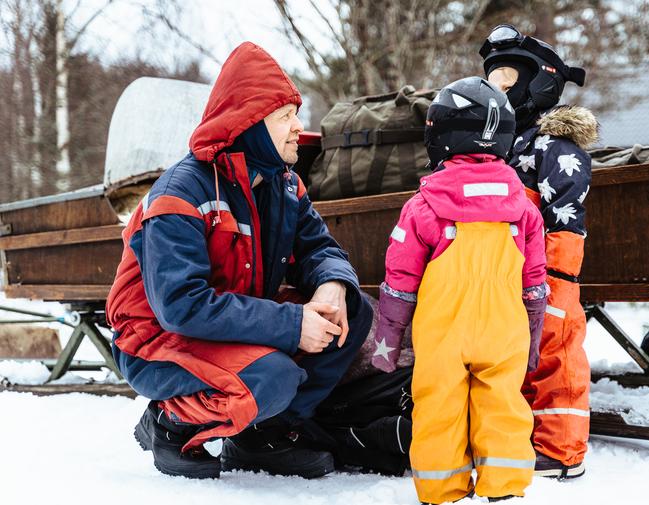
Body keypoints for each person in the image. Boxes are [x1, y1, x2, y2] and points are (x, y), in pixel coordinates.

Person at [106, 42, 372, 480]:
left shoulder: (283, 185)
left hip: (225, 326)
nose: (298, 127)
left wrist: (332, 285)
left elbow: (319, 249)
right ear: (249, 124)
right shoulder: (179, 195)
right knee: (272, 376)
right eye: (285, 116)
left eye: (295, 114)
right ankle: (170, 423)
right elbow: (181, 307)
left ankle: (264, 435)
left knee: (351, 310)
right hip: (156, 342)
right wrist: (292, 324)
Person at [371, 76, 548, 503]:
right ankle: (504, 488)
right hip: (503, 331)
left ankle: (442, 489)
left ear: (442, 136)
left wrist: (386, 344)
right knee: (503, 405)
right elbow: (535, 283)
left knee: (439, 407)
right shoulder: (524, 209)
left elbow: (399, 283)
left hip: (443, 336)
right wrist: (532, 338)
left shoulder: (422, 207)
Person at [480, 24, 599, 479]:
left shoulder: (555, 146)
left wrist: (558, 275)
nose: (499, 88)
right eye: (493, 79)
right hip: (504, 272)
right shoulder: (498, 143)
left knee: (555, 353)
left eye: (509, 78)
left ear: (541, 83)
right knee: (515, 355)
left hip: (550, 271)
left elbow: (565, 215)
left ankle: (562, 450)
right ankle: (520, 431)